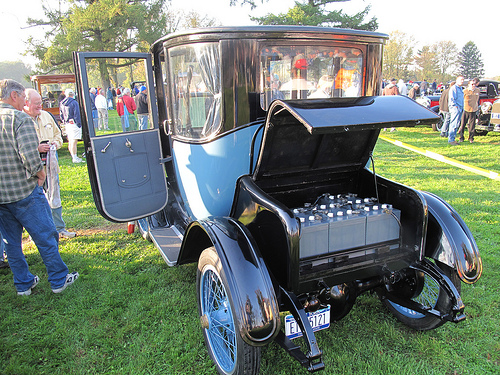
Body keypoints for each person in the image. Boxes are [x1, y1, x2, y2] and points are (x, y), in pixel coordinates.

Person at [0, 79, 78, 295]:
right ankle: (59, 279)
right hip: (25, 191)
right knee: (45, 236)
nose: (24, 102)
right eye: (23, 98)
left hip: (2, 196)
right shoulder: (19, 119)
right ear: (14, 96)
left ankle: (23, 285)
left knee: (12, 243)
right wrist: (41, 177)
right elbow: (30, 157)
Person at [24, 89, 77, 239]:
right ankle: (36, 234)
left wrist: (55, 143)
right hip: (31, 170)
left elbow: (58, 135)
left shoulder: (46, 116)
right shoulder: (21, 119)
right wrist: (37, 149)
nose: (40, 105)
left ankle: (59, 228)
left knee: (55, 197)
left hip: (50, 166)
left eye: (40, 102)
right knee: (33, 201)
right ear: (26, 103)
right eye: (36, 103)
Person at [60, 88, 83, 163]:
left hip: (67, 123)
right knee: (74, 141)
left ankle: (73, 156)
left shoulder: (62, 103)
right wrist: (79, 124)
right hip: (73, 123)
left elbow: (61, 115)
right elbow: (77, 114)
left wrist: (64, 121)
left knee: (70, 140)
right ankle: (75, 157)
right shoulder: (74, 102)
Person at [458, 78, 480, 143]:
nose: (473, 85)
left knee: (472, 125)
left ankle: (471, 138)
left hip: (474, 109)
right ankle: (461, 137)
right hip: (466, 109)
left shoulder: (477, 90)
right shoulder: (465, 91)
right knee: (463, 124)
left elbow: (477, 99)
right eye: (472, 84)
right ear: (469, 85)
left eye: (474, 84)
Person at [447, 75, 465, 145]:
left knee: (457, 124)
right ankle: (451, 139)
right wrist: (456, 107)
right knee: (453, 124)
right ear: (457, 80)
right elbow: (452, 99)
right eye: (461, 79)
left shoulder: (460, 88)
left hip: (460, 108)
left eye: (463, 79)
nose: (462, 81)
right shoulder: (454, 88)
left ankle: (453, 139)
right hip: (455, 108)